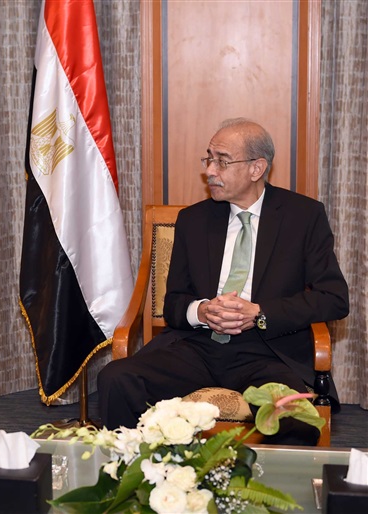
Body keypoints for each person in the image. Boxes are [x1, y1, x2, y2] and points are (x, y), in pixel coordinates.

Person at [98, 118, 349, 445]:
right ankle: (135, 471)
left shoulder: (303, 217)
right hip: (198, 346)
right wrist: (201, 311)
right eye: (209, 158)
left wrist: (259, 313)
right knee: (117, 378)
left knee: (293, 417)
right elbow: (174, 303)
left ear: (257, 168)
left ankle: (267, 480)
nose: (210, 170)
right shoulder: (194, 219)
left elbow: (333, 298)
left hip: (267, 352)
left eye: (222, 161)